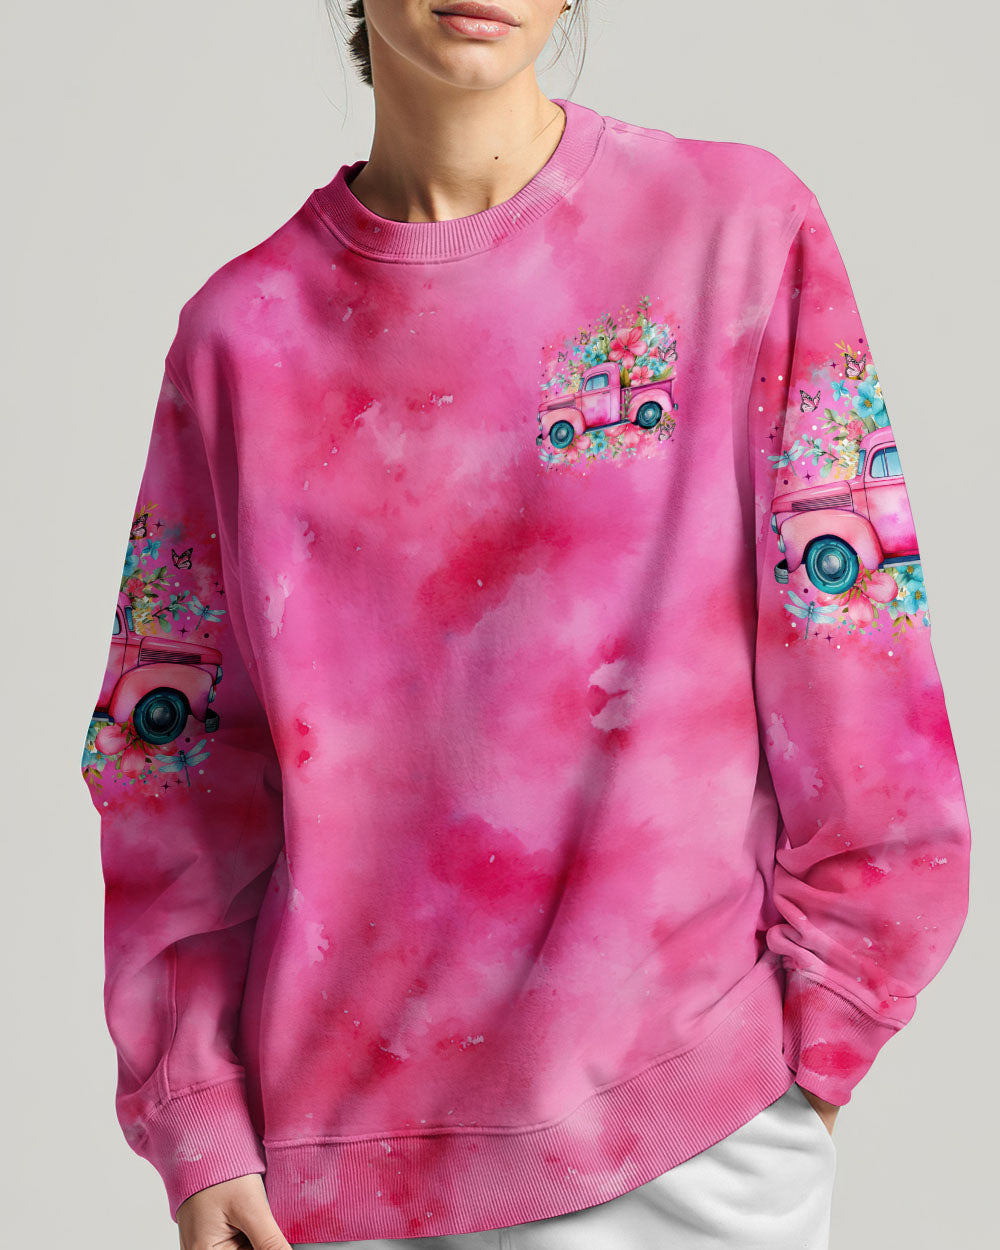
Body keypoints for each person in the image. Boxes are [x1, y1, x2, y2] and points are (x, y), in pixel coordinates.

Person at [77, 3, 972, 1249]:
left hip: (684, 1131)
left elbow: (856, 635)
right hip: (335, 1173)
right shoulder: (241, 336)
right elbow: (172, 763)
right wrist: (197, 1115)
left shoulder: (731, 232)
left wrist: (820, 1035)